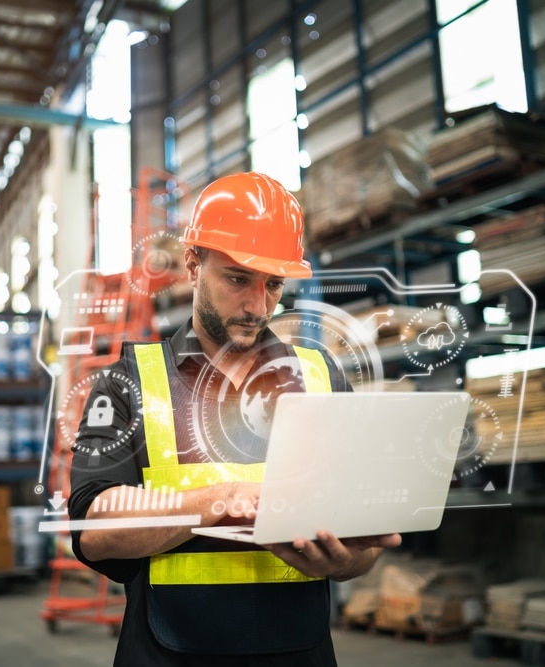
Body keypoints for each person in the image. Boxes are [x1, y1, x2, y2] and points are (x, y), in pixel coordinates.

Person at [68, 171, 402, 665]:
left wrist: (350, 560)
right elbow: (94, 529)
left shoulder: (318, 374)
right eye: (238, 279)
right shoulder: (129, 381)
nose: (256, 305)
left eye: (273, 285)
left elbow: (365, 530)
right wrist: (220, 502)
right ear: (192, 264)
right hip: (169, 653)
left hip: (299, 651)